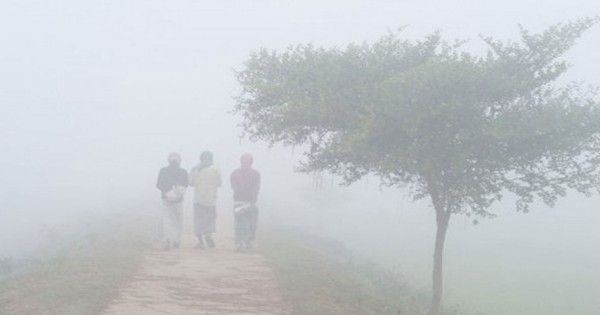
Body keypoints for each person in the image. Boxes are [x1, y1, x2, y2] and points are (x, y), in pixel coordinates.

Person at [189, 151, 222, 249]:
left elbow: (191, 183)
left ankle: (200, 242)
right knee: (210, 219)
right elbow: (219, 183)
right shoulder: (216, 170)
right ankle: (209, 235)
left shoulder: (195, 170)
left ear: (200, 159)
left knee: (199, 221)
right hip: (211, 199)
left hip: (198, 199)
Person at [156, 152, 188, 250]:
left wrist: (165, 192)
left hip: (166, 198)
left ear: (169, 161)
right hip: (178, 199)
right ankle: (177, 240)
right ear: (179, 161)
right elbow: (186, 184)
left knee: (167, 220)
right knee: (178, 220)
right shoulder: (183, 172)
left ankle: (167, 240)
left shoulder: (163, 171)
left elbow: (158, 184)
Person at [230, 153, 261, 252]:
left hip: (251, 201)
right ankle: (240, 243)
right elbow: (234, 187)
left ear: (251, 162)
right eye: (244, 161)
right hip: (239, 201)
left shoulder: (256, 174)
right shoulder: (235, 173)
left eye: (247, 161)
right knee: (240, 224)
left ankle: (248, 242)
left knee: (251, 224)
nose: (245, 163)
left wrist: (251, 196)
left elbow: (256, 188)